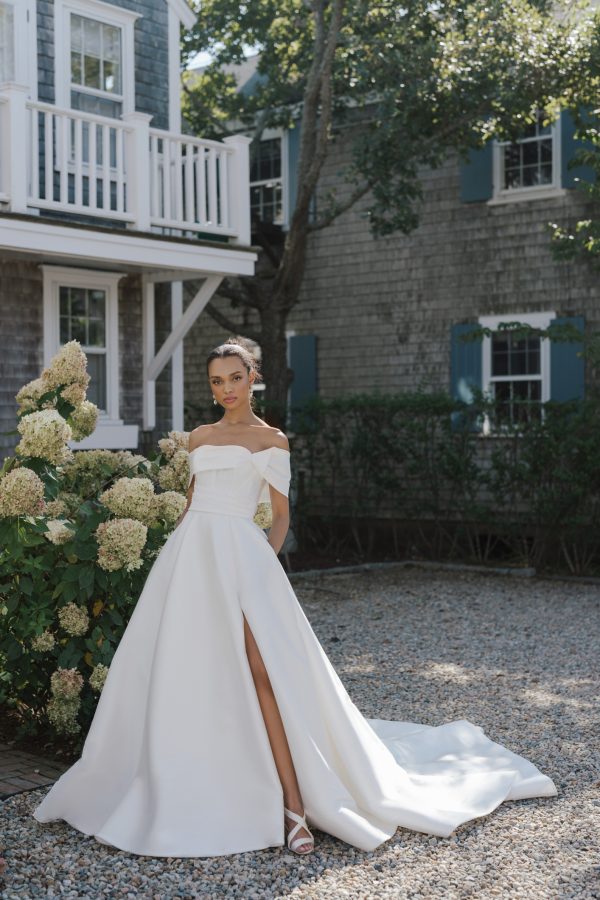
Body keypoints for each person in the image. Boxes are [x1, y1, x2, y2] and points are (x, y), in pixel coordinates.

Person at [32, 337, 558, 859]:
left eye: (235, 378)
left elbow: (279, 517)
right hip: (191, 559)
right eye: (217, 381)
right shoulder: (199, 436)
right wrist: (178, 562)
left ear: (252, 377)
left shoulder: (273, 441)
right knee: (184, 672)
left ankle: (293, 805)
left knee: (264, 672)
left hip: (244, 558)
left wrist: (260, 570)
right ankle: (186, 788)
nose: (226, 389)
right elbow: (193, 506)